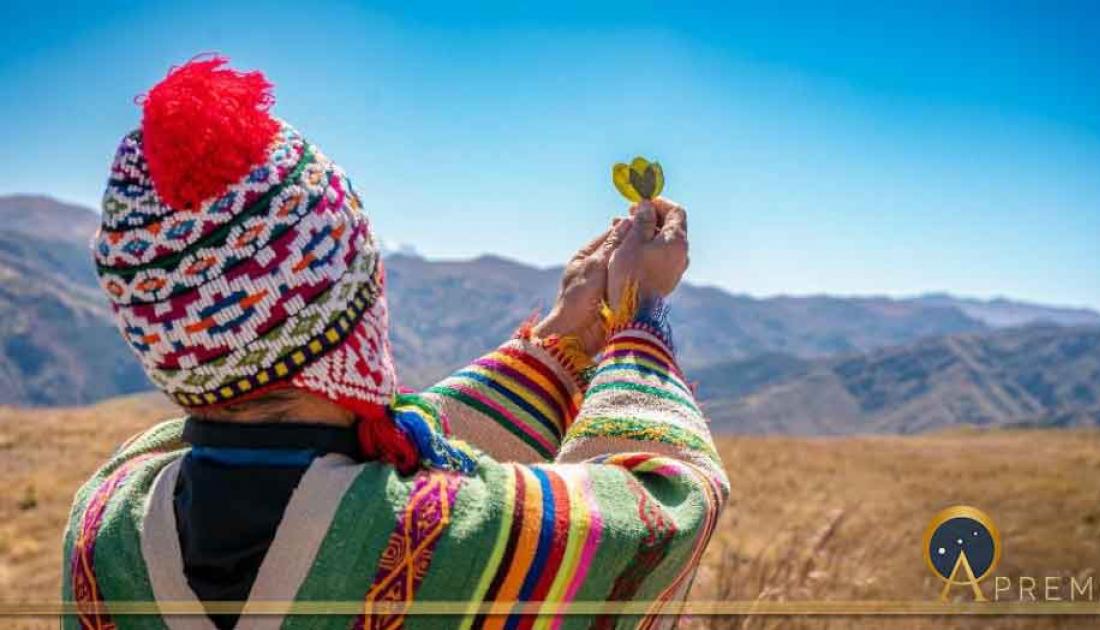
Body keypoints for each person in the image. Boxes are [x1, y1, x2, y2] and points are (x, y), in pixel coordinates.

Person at [64, 56, 727, 630]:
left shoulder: (105, 522)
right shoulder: (448, 538)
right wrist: (639, 319)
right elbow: (663, 514)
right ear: (353, 307)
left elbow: (399, 441)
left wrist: (562, 338)